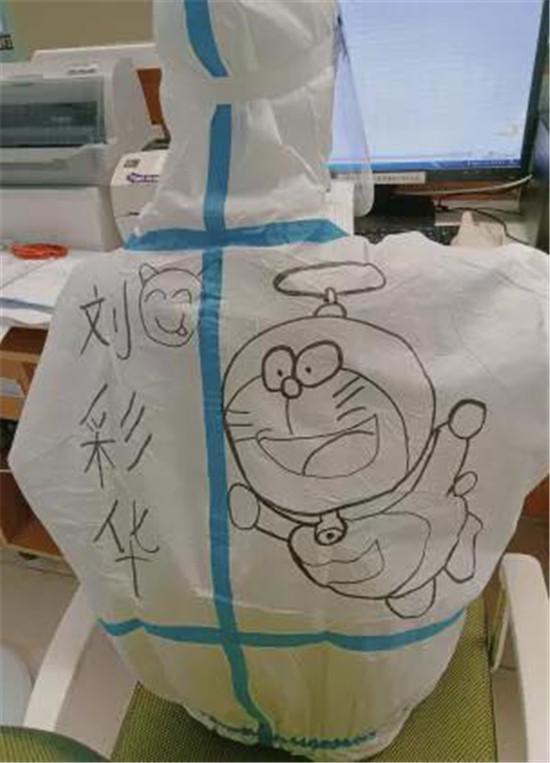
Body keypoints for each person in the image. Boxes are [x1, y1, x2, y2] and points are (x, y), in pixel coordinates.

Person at [10, 1, 548, 760]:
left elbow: (51, 468)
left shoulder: (94, 297)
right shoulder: (491, 295)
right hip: (376, 703)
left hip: (189, 690)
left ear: (175, 92)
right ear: (322, 87)